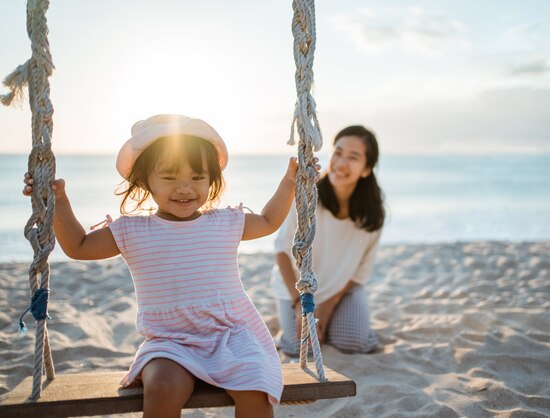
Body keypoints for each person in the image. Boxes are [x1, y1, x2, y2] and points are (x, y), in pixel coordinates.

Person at [23, 114, 319, 418]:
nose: (184, 188)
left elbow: (269, 221)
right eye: (169, 177)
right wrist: (57, 200)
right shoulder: (133, 231)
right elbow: (79, 246)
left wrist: (289, 183)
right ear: (144, 180)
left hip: (231, 334)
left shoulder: (224, 223)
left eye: (197, 177)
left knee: (256, 389)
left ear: (212, 180)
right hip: (170, 341)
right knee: (163, 387)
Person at [271, 125, 384, 357]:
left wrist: (328, 306)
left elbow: (359, 273)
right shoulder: (307, 196)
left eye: (353, 157)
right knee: (297, 348)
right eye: (338, 152)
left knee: (352, 344)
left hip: (341, 290)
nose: (341, 163)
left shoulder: (371, 214)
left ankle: (349, 323)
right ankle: (288, 325)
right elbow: (282, 251)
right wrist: (301, 306)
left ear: (366, 169)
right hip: (296, 289)